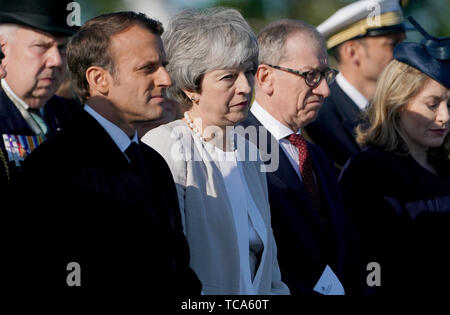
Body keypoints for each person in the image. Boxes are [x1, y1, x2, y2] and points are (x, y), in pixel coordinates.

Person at [12, 11, 201, 295]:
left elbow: (179, 275)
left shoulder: (153, 164)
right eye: (147, 68)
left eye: (163, 65)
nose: (165, 78)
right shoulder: (55, 168)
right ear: (99, 79)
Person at [142, 7, 289, 295]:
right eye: (228, 77)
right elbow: (169, 264)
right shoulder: (165, 146)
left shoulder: (250, 151)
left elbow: (269, 270)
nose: (246, 87)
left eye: (248, 72)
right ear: (189, 87)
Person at [239, 19, 363, 295]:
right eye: (310, 75)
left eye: (325, 75)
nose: (324, 90)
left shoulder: (317, 156)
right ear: (264, 77)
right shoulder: (235, 149)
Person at [339, 18, 450, 295]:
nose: (445, 117)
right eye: (432, 104)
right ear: (397, 103)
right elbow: (368, 269)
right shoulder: (370, 172)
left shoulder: (443, 166)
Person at [305, 0, 408, 170]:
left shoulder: (404, 113)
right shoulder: (318, 119)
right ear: (352, 52)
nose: (404, 53)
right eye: (393, 44)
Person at [0, 0, 79, 181]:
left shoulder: (74, 117)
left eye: (61, 47)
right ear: (3, 50)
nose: (57, 61)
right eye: (41, 47)